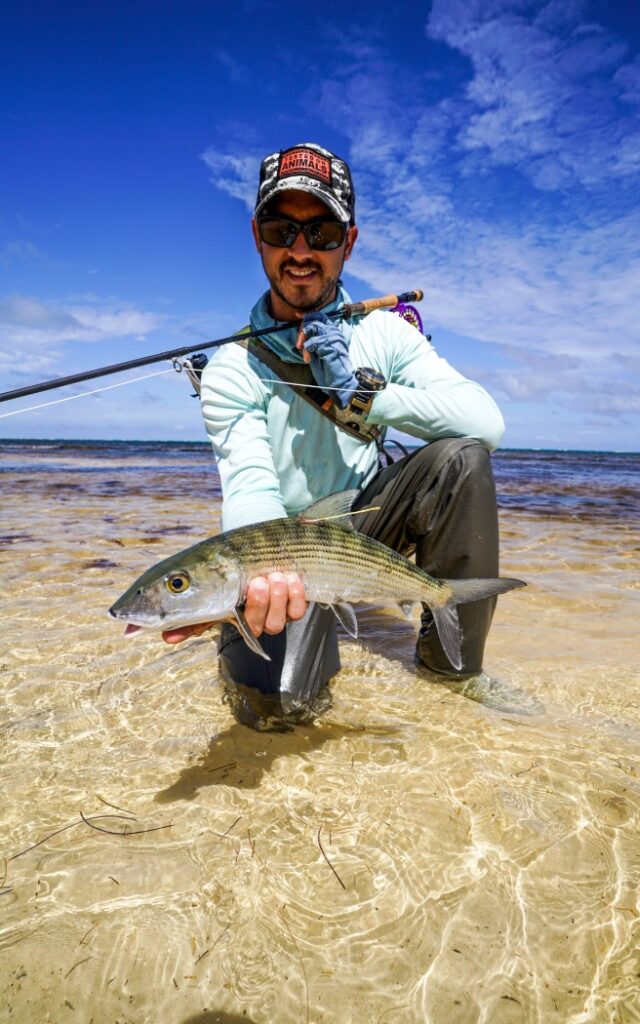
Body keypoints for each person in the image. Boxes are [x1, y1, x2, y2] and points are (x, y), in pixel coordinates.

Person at [163, 142, 506, 726]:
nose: (300, 251)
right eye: (281, 229)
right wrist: (267, 579)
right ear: (257, 237)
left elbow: (485, 423)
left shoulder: (386, 335)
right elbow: (250, 485)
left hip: (366, 522)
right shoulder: (230, 368)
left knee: (461, 460)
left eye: (320, 232)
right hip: (284, 540)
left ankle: (454, 671)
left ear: (348, 242)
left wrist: (363, 395)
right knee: (278, 712)